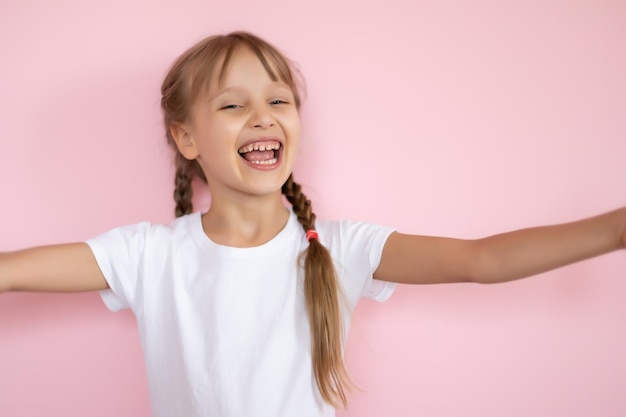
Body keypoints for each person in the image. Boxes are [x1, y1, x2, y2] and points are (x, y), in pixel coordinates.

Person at [0, 31, 624, 417]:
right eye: (233, 104)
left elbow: (480, 261)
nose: (264, 117)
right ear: (185, 136)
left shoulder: (344, 247)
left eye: (278, 101)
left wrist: (615, 230)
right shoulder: (148, 255)